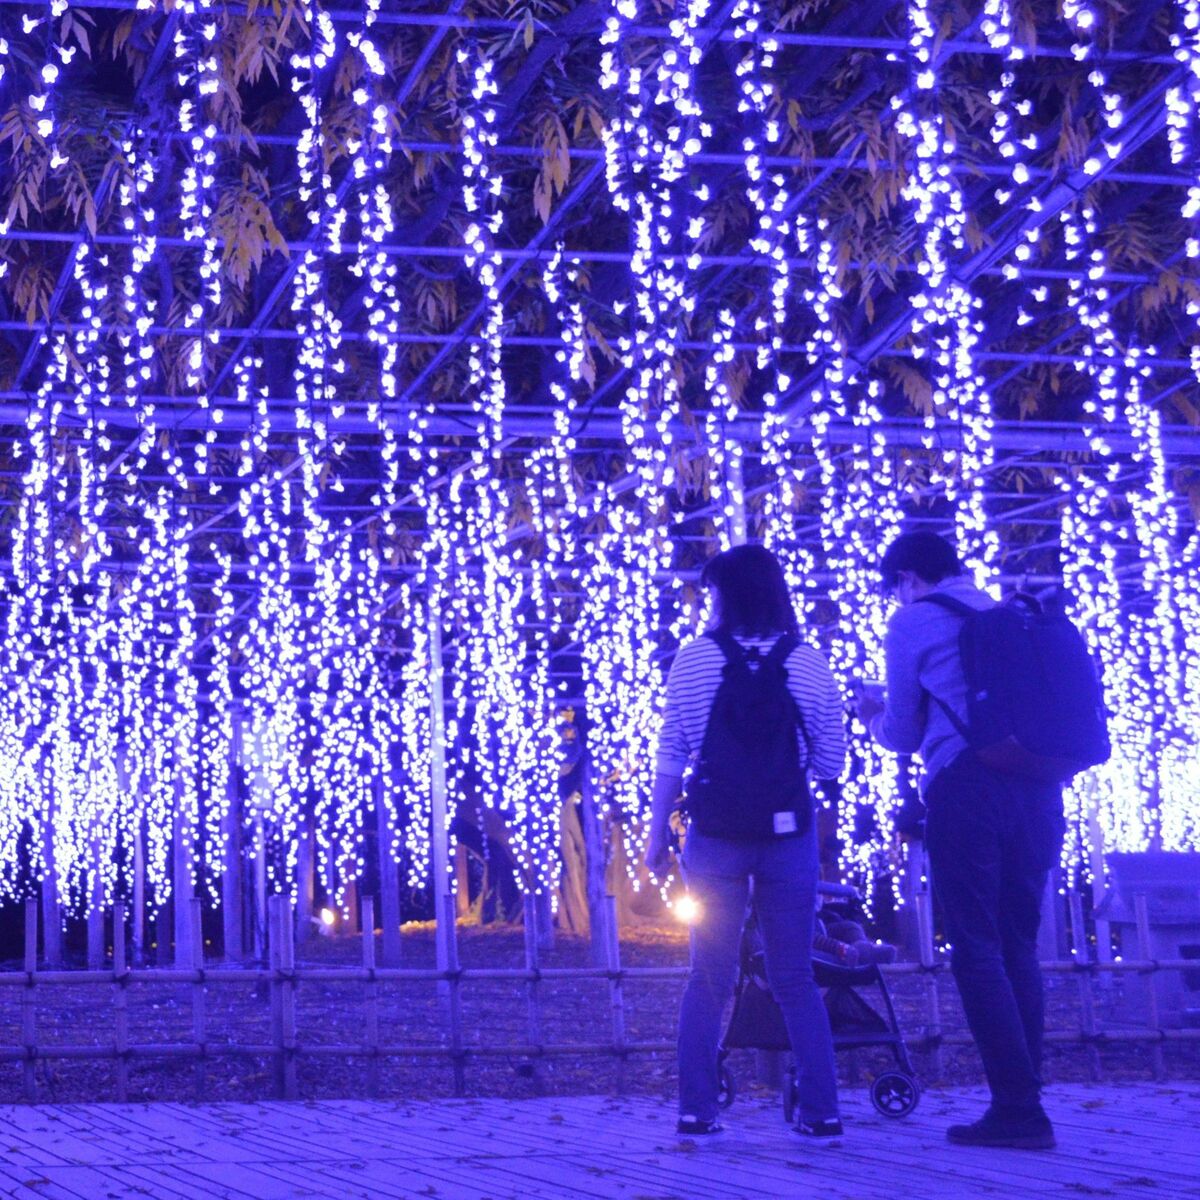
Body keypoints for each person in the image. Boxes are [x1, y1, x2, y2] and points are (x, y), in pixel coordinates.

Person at [857, 530, 1063, 1151]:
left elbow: (900, 729)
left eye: (894, 589)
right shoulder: (1005, 614)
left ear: (907, 579)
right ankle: (1026, 1098)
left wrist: (869, 715)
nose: (895, 599)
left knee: (974, 946)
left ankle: (1017, 1109)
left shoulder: (915, 620)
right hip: (1038, 784)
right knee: (1017, 941)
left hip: (967, 788)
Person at [645, 544, 847, 1141]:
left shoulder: (692, 661)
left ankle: (697, 1111)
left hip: (715, 836)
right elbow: (831, 762)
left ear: (724, 595)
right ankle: (822, 1111)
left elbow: (672, 754)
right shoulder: (807, 661)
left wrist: (656, 833)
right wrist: (788, 773)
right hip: (788, 835)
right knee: (795, 977)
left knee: (707, 976)